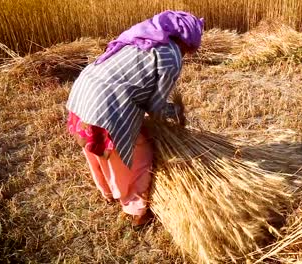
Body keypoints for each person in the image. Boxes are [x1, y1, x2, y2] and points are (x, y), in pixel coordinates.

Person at [66, 11, 204, 227]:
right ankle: (137, 212)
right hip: (105, 105)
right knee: (138, 154)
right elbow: (156, 107)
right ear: (189, 39)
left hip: (82, 94)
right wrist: (175, 112)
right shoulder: (171, 55)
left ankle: (107, 191)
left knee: (95, 148)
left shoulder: (143, 37)